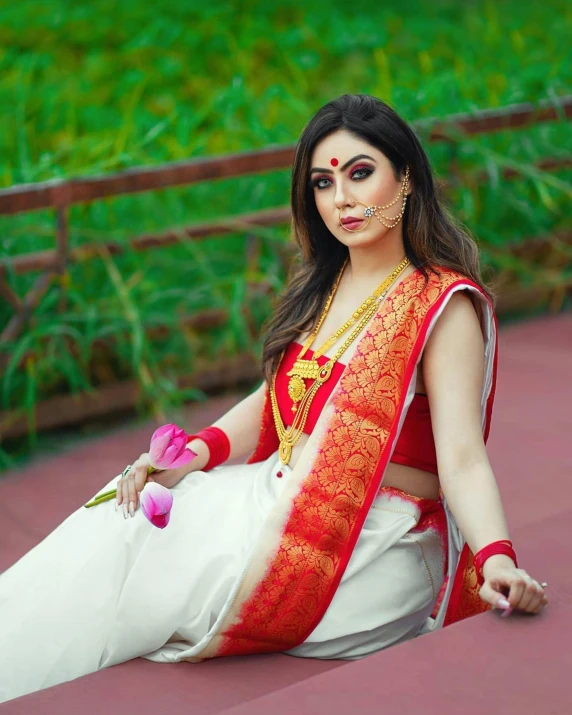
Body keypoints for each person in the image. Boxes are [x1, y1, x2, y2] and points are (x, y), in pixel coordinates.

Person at [0, 94, 548, 702]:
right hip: (277, 494)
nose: (341, 199)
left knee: (141, 560)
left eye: (359, 173)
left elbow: (463, 457)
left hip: (370, 548)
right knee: (124, 516)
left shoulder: (441, 305)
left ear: (407, 177)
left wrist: (496, 556)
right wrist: (191, 455)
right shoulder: (327, 282)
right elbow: (273, 406)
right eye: (323, 182)